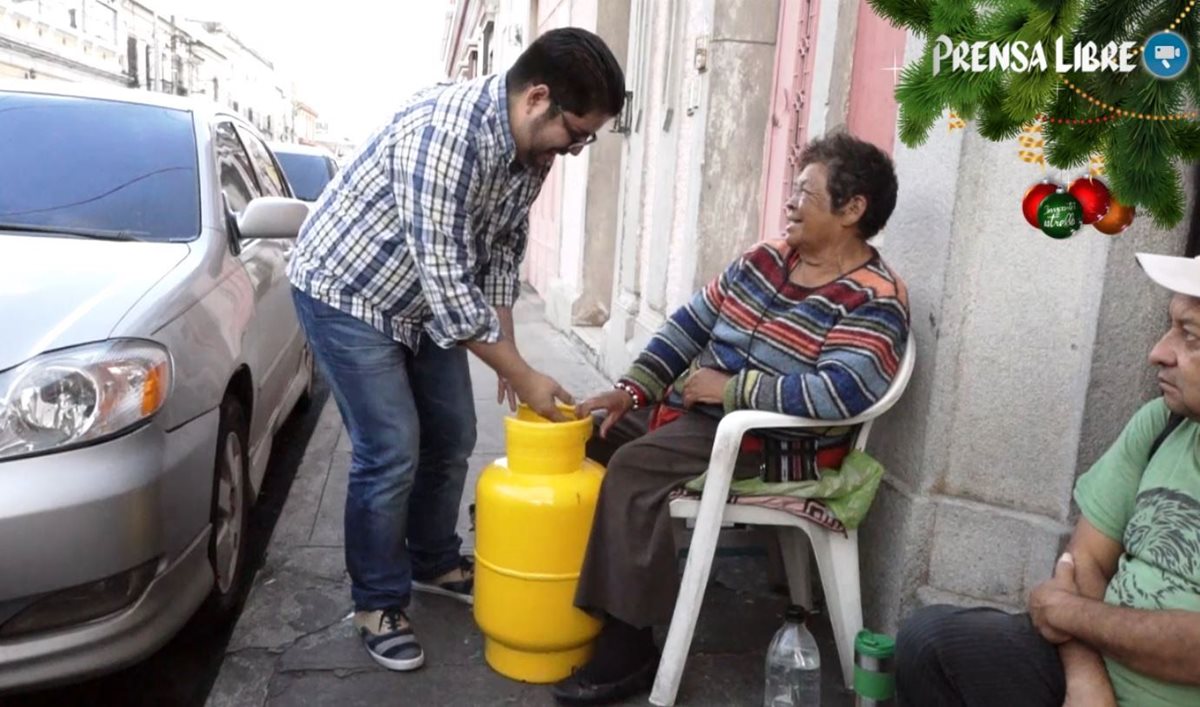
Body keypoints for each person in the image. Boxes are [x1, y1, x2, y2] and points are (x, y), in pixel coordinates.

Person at [285, 28, 625, 672]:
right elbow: (447, 280)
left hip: (419, 303)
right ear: (538, 99)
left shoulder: (531, 154)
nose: (575, 150)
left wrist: (510, 351)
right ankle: (377, 602)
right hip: (347, 291)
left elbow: (499, 252)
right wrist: (519, 372)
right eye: (575, 133)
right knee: (390, 449)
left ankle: (432, 560)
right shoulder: (442, 136)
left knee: (454, 432)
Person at [552, 133, 911, 705]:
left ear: (852, 209)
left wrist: (735, 390)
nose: (789, 204)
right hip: (700, 419)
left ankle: (629, 645)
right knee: (586, 435)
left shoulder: (874, 299)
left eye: (804, 193)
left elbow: (844, 392)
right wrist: (631, 390)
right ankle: (582, 594)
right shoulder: (764, 261)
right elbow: (689, 326)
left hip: (772, 443)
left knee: (634, 468)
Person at [894, 252, 1200, 707]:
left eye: (1190, 335)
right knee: (929, 642)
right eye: (1169, 326)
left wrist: (1071, 615)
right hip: (1098, 668)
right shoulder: (1163, 423)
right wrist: (1086, 678)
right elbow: (1082, 563)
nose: (1158, 352)